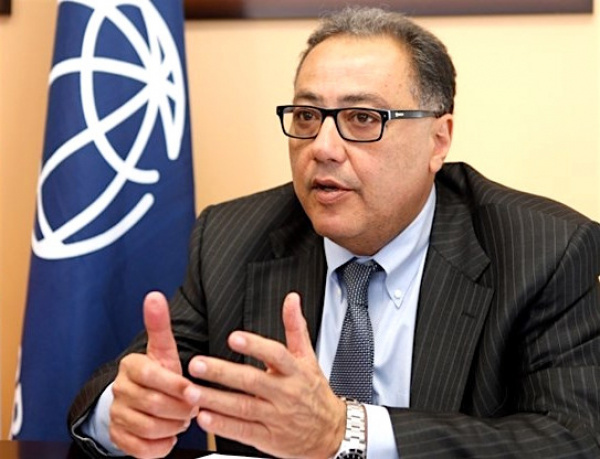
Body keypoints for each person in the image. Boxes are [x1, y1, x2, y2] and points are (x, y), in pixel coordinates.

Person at [68, 6, 600, 459]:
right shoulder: (232, 238)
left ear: (438, 140)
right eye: (306, 115)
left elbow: (576, 439)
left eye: (362, 118)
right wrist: (126, 410)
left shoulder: (544, 250)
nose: (322, 147)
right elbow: (139, 381)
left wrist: (346, 431)